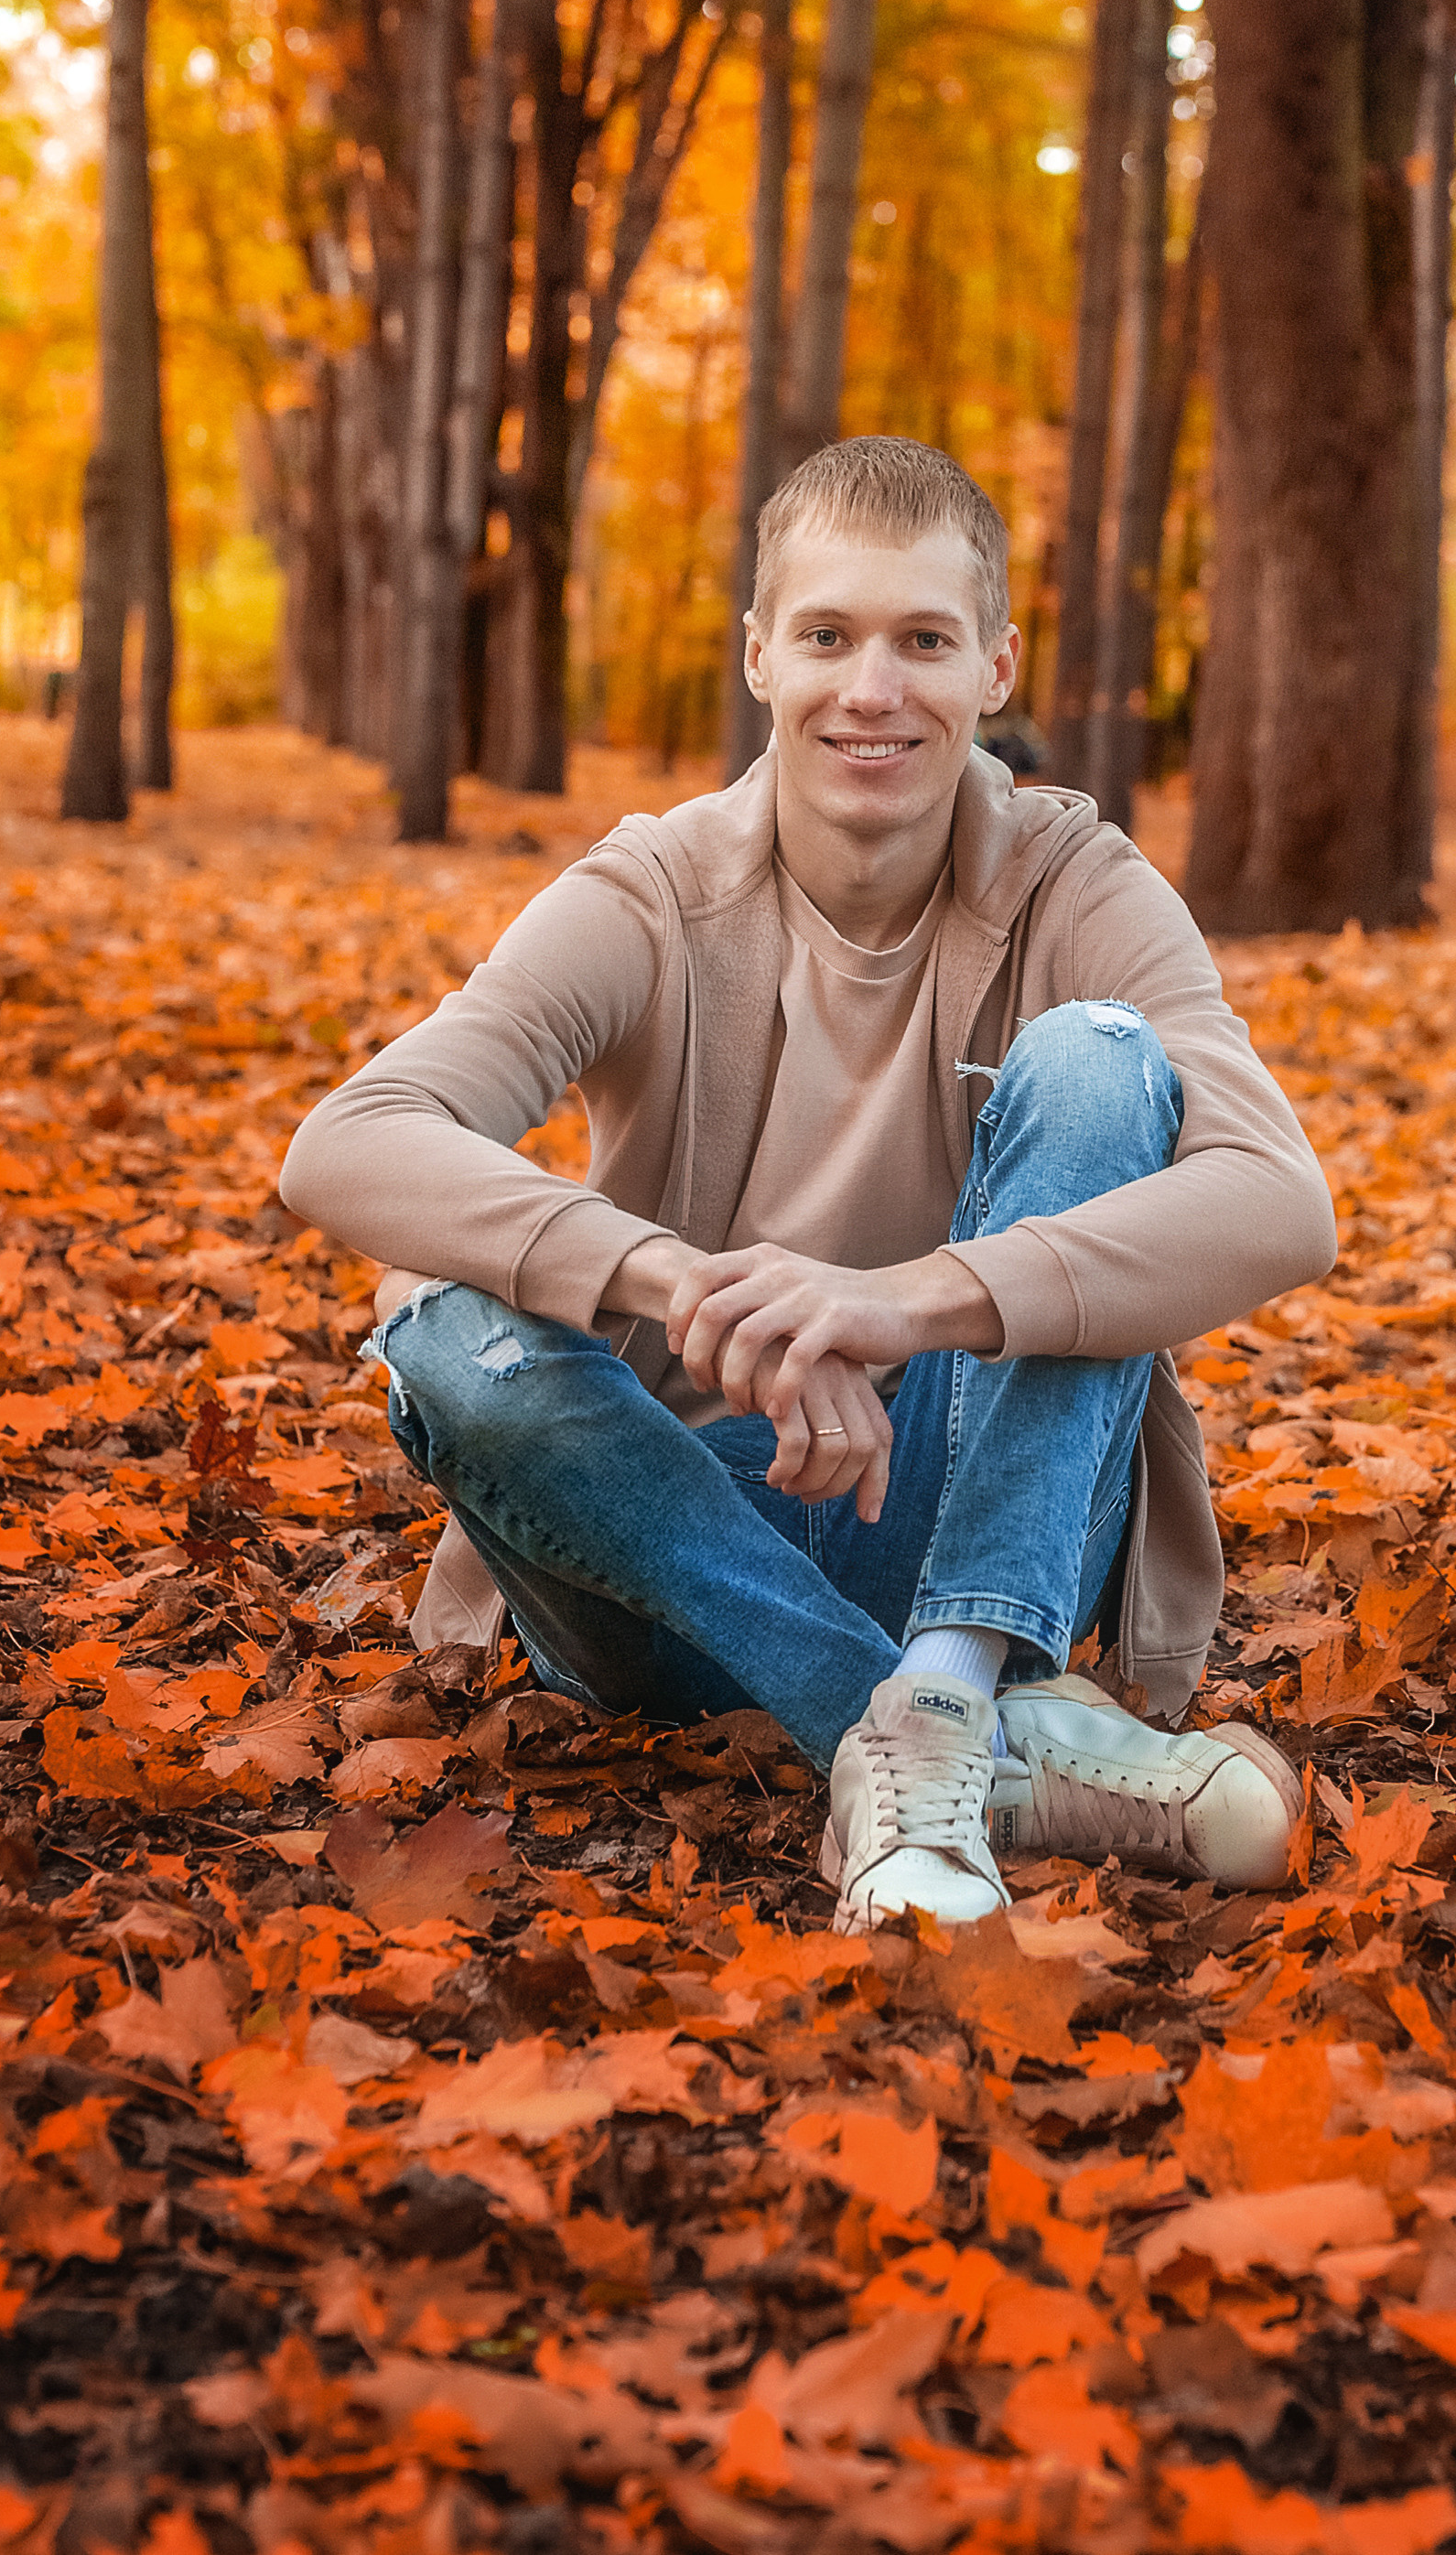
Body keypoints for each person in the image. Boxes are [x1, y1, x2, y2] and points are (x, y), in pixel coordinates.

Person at [279, 437, 1338, 1933]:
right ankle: (937, 1732)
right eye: (829, 636)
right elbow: (350, 1138)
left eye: (923, 640)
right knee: (445, 1327)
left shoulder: (1073, 883)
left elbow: (1282, 1200)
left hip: (978, 1513)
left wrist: (899, 1307)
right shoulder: (651, 893)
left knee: (1104, 1062)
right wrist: (680, 1283)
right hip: (653, 1547)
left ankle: (956, 1674)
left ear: (996, 667)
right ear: (763, 656)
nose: (872, 688)